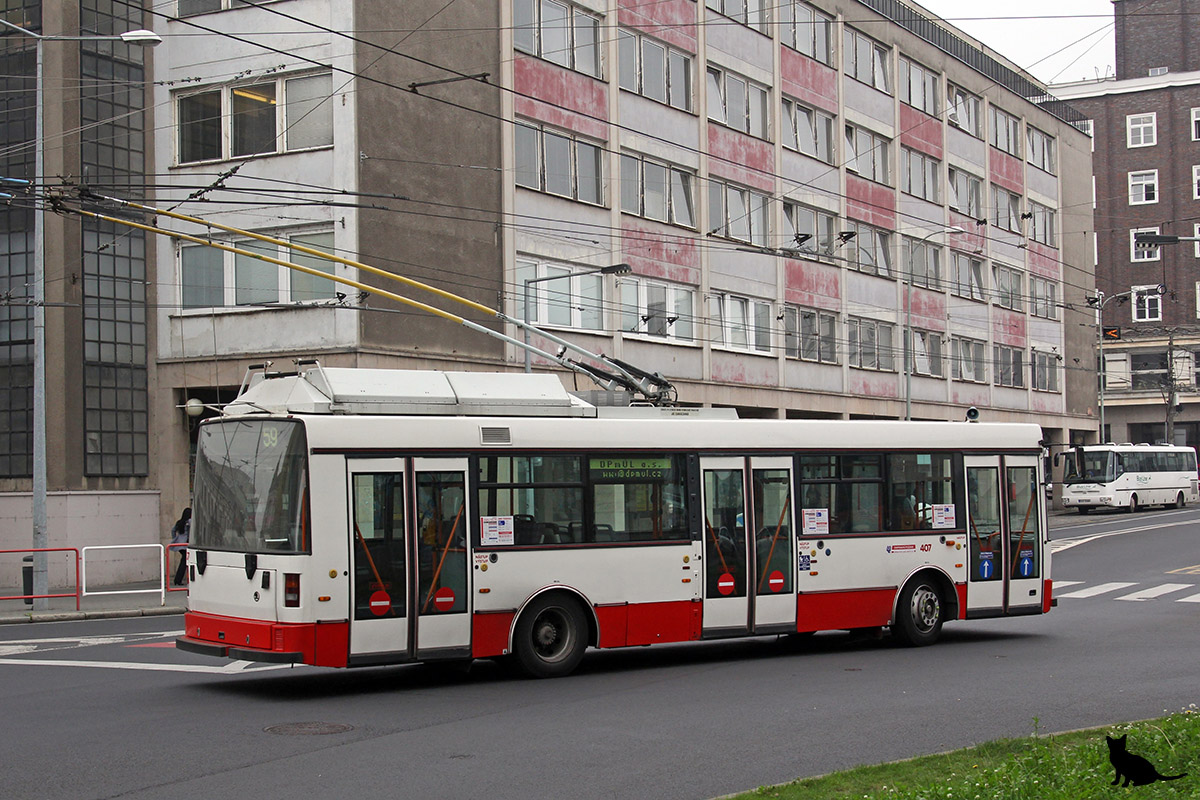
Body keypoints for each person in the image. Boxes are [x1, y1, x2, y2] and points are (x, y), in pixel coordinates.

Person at [171, 507, 191, 586]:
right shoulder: (189, 521)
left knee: (184, 561)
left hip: (179, 544)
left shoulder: (179, 522)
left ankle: (178, 579)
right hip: (186, 544)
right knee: (184, 562)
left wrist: (175, 538)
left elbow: (173, 530)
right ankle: (178, 579)